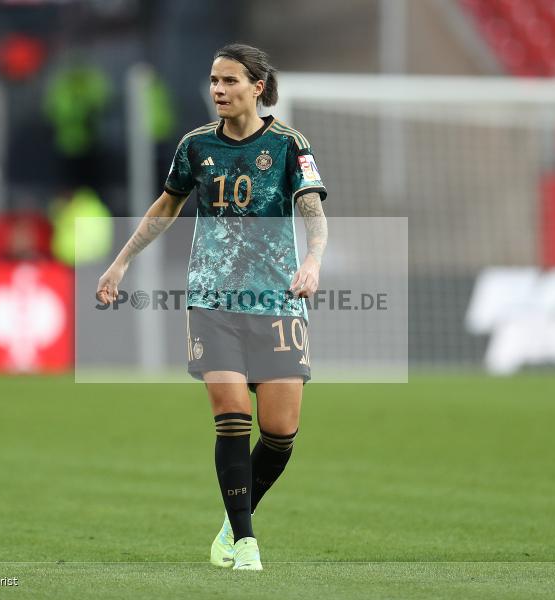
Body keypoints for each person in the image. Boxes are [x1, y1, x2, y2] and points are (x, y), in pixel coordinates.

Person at [96, 43, 328, 571]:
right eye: (214, 80)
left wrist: (313, 260)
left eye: (229, 81)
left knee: (280, 433)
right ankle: (245, 542)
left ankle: (231, 521)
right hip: (212, 298)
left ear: (257, 87)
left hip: (277, 299)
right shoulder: (195, 145)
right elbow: (167, 205)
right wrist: (121, 261)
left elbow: (312, 210)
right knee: (232, 415)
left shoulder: (289, 145)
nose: (218, 90)